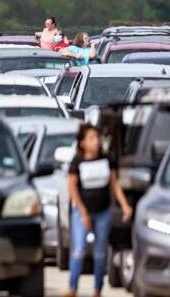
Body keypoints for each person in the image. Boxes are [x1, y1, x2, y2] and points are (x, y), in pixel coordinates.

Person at [64, 124, 133, 297]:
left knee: (100, 253)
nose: (96, 142)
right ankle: (73, 287)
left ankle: (97, 289)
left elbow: (114, 185)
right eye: (91, 138)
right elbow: (72, 189)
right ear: (82, 143)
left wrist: (124, 205)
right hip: (81, 211)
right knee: (79, 249)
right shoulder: (77, 162)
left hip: (102, 212)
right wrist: (84, 214)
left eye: (97, 138)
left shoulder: (106, 160)